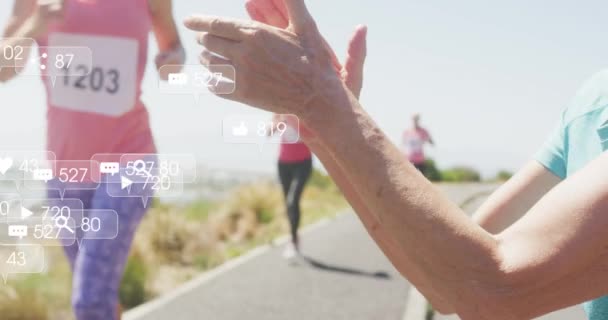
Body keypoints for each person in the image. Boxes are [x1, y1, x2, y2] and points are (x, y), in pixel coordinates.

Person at [185, 1, 608, 318]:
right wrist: (323, 126)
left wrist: (323, 103)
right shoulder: (591, 99)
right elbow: (445, 277)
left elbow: (493, 287)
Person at [1, 1, 184, 319]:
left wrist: (172, 62)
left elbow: (174, 47)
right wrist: (33, 28)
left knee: (87, 302)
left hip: (130, 160)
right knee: (95, 291)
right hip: (65, 172)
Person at [270, 114, 312, 260]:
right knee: (288, 204)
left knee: (292, 201)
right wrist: (281, 121)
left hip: (303, 163)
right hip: (284, 164)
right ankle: (294, 235)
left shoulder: (301, 110)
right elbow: (268, 132)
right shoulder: (278, 112)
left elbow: (311, 133)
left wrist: (295, 121)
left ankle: (293, 242)